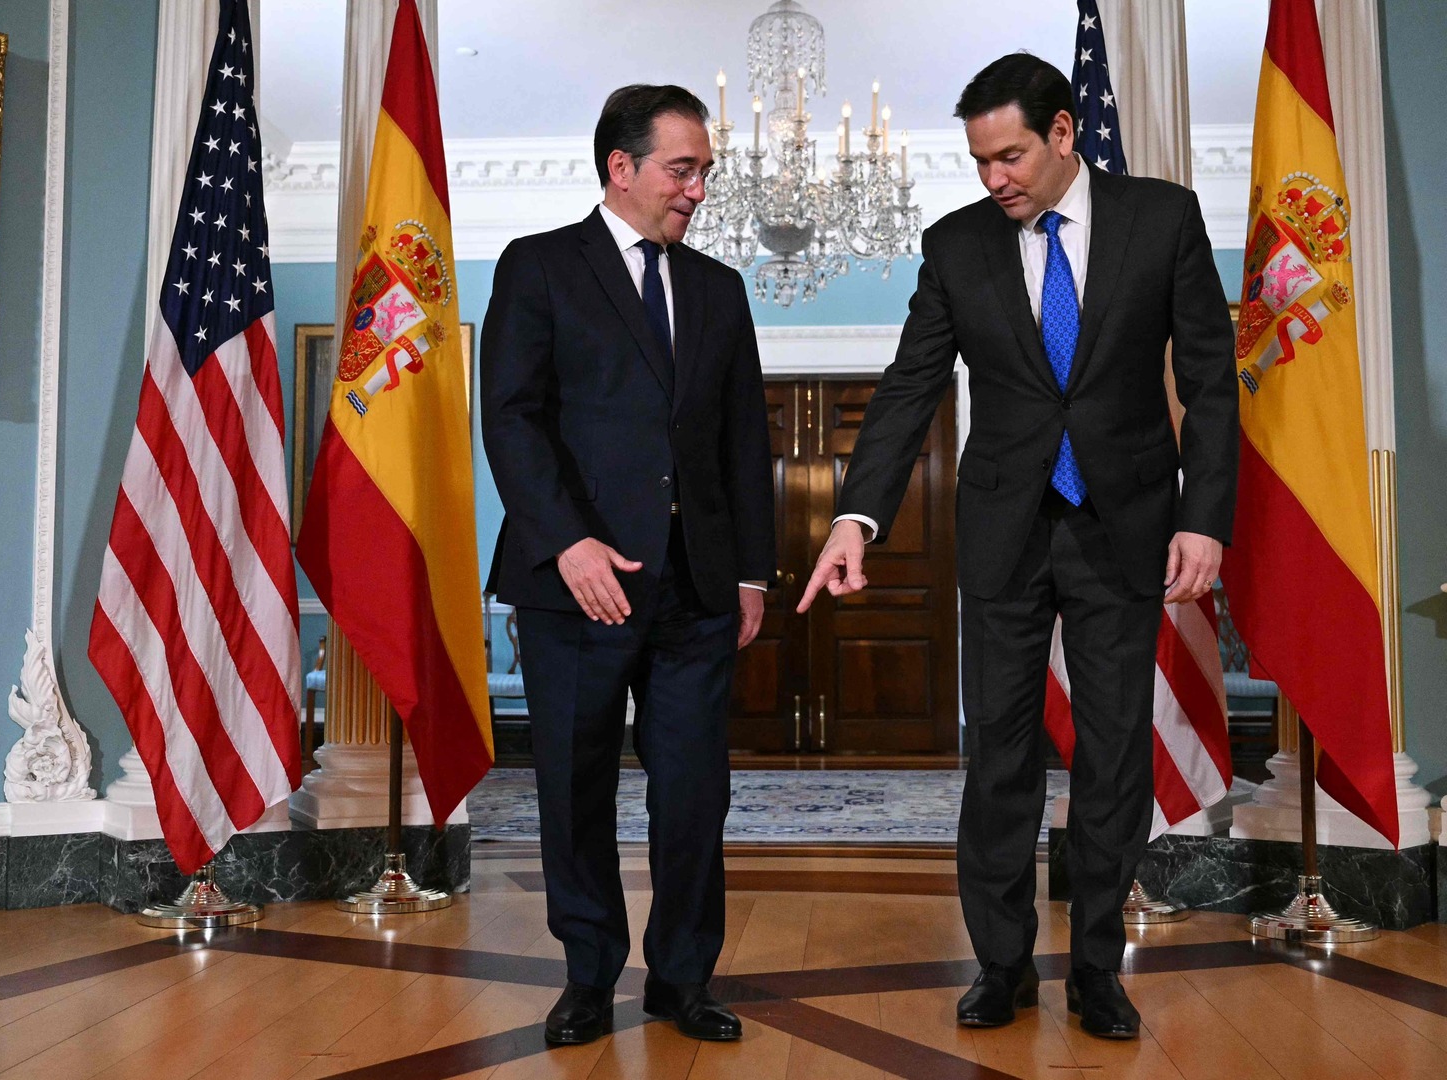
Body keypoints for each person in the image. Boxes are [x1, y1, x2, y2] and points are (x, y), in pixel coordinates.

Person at [796, 53, 1237, 1040]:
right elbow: (909, 385)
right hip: (1004, 532)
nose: (994, 178)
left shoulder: (1162, 219)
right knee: (999, 751)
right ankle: (1001, 966)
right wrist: (856, 518)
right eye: (980, 161)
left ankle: (1096, 968)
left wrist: (1203, 516)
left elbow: (1211, 380)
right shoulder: (956, 245)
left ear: (1064, 133)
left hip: (1124, 526)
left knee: (1113, 754)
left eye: (1010, 157)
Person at [481, 84, 775, 1047]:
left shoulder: (719, 289)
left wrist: (752, 573)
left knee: (695, 795)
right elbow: (512, 418)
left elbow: (742, 441)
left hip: (697, 589)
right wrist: (567, 541)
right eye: (682, 170)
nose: (698, 190)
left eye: (705, 172)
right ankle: (588, 974)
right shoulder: (538, 266)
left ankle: (683, 979)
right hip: (576, 584)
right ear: (622, 166)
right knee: (576, 790)